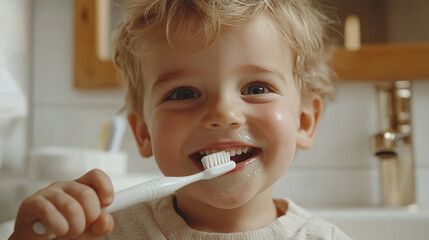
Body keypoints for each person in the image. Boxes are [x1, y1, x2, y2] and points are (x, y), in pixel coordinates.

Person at [10, 0, 352, 239]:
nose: (223, 114)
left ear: (304, 121)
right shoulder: (99, 234)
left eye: (256, 87)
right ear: (143, 133)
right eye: (184, 94)